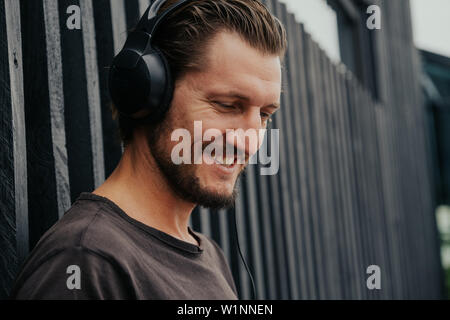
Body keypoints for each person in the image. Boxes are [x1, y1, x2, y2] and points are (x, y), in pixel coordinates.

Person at [10, 0, 286, 299]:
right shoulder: (86, 261)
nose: (250, 141)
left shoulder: (210, 257)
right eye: (227, 105)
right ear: (149, 92)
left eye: (263, 115)